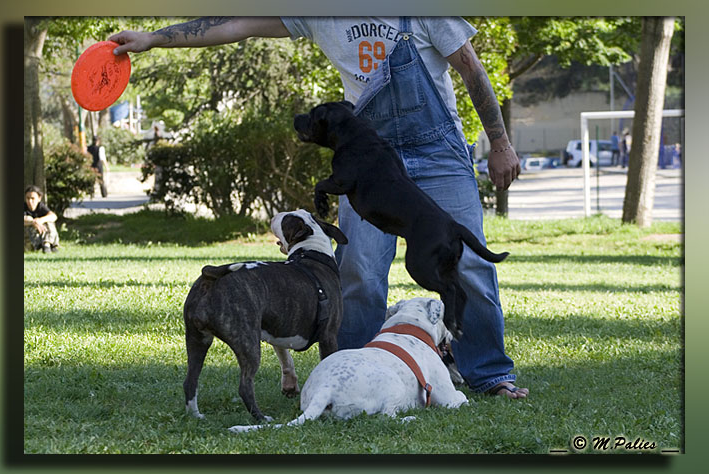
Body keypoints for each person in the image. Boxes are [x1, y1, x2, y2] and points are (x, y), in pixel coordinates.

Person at [110, 17, 527, 399]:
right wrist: (153, 39)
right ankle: (349, 375)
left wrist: (502, 144)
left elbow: (470, 66)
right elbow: (236, 23)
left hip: (438, 152)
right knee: (358, 273)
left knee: (470, 265)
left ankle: (490, 375)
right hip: (370, 162)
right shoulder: (318, 11)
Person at [24, 185, 60, 253]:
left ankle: (48, 244)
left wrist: (40, 220)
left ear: (39, 198)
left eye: (32, 198)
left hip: (42, 233)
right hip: (29, 236)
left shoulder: (41, 206)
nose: (30, 201)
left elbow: (53, 216)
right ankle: (43, 245)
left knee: (49, 222)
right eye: (27, 198)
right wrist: (33, 222)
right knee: (28, 218)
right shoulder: (24, 207)